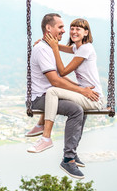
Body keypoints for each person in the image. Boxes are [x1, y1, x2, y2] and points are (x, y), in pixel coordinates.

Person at [26, 14, 99, 179]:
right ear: (48, 28)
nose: (67, 31)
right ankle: (54, 144)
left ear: (86, 32)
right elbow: (56, 80)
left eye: (76, 29)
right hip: (41, 96)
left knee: (76, 108)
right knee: (74, 108)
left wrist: (81, 90)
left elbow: (61, 74)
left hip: (86, 95)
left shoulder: (84, 48)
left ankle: (69, 154)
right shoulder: (47, 49)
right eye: (62, 27)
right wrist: (80, 90)